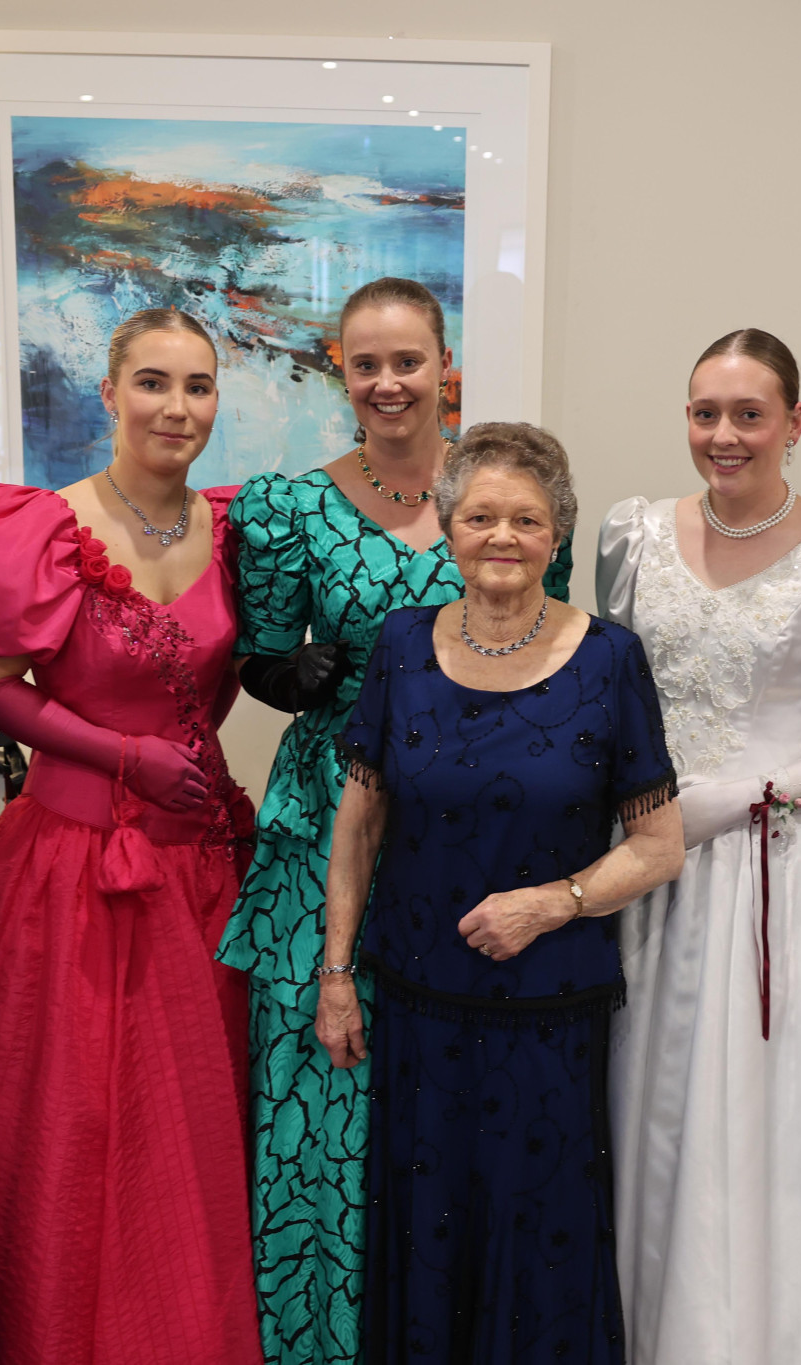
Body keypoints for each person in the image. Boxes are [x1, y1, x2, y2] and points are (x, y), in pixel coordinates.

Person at [221, 278, 573, 1364]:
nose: (386, 383)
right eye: (364, 363)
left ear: (443, 367)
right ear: (341, 370)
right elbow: (257, 660)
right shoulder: (290, 507)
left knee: (457, 1087)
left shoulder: (503, 495)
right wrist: (290, 673)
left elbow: (548, 643)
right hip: (333, 809)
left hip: (474, 827)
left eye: (407, 361)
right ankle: (321, 1338)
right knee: (321, 1087)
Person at [0, 308, 261, 1365]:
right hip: (69, 866)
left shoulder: (235, 529)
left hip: (196, 859)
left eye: (197, 386)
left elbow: (223, 676)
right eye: (152, 383)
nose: (177, 407)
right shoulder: (41, 526)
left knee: (182, 1125)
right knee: (72, 1122)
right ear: (108, 394)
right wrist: (124, 757)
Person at [597, 329, 801, 1364]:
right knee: (650, 1104)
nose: (723, 436)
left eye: (748, 415)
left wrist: (740, 801)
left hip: (774, 869)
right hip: (647, 862)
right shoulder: (632, 536)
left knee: (767, 1110)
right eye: (705, 413)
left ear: (794, 423)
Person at [314, 422, 682, 1363]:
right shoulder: (401, 648)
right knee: (424, 1223)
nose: (502, 536)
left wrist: (553, 901)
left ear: (557, 533)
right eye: (479, 515)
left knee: (541, 1227)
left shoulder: (610, 659)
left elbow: (658, 844)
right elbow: (358, 826)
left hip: (550, 1006)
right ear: (448, 526)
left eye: (525, 518)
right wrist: (337, 973)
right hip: (416, 1001)